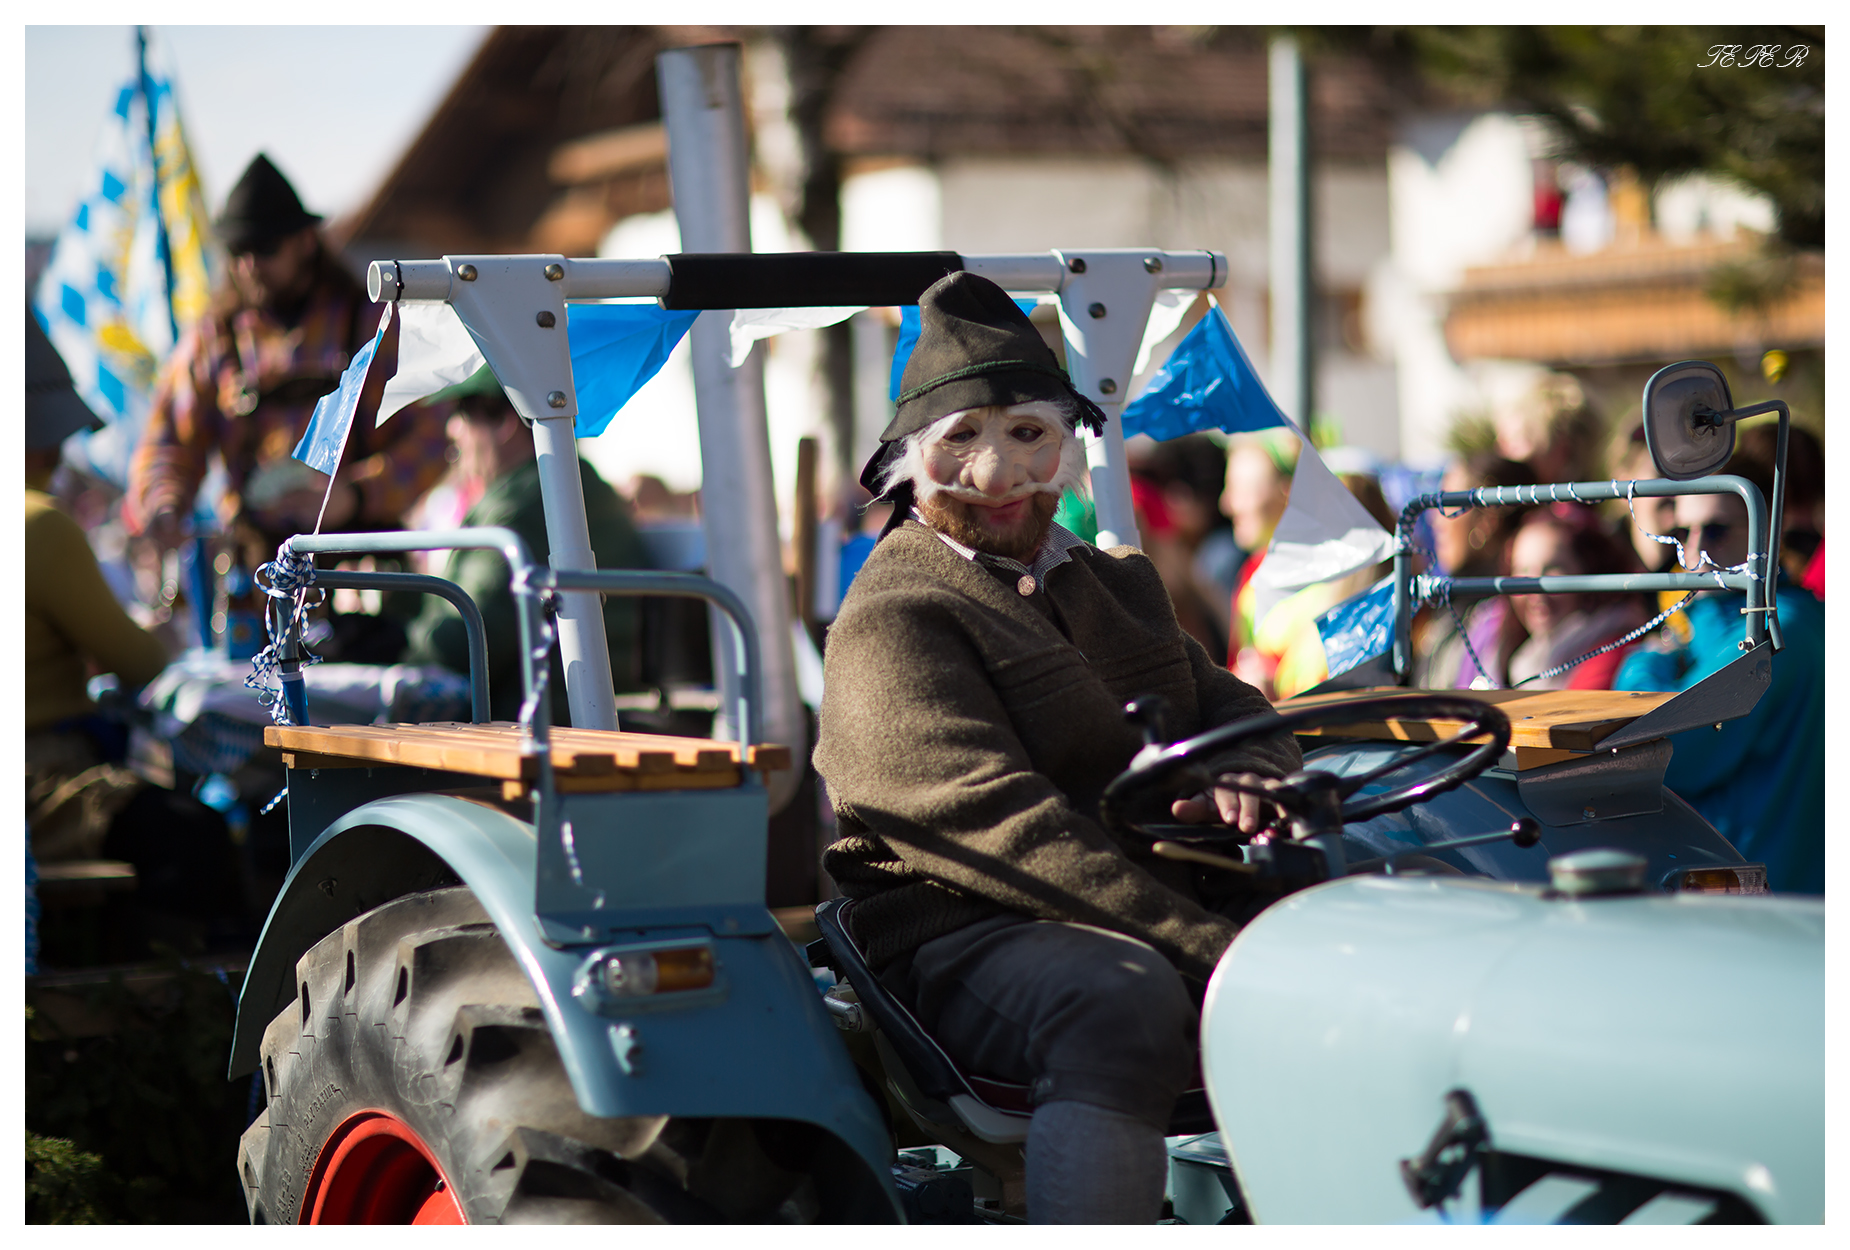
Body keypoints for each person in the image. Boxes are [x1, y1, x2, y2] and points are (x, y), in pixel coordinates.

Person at [813, 273, 1301, 1224]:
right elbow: (1004, 833)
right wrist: (1211, 949)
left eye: (1027, 435)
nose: (997, 474)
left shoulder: (1118, 582)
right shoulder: (893, 616)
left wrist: (1252, 769)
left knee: (1390, 926)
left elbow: (1235, 706)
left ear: (1064, 449)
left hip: (1156, 895)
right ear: (911, 464)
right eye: (961, 440)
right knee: (1120, 999)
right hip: (965, 930)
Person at [25, 315, 241, 941]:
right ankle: (188, 990)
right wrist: (158, 636)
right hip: (39, 783)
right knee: (198, 838)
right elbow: (143, 663)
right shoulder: (40, 524)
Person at [126, 153, 451, 559]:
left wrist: (356, 493)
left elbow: (436, 436)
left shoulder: (375, 326)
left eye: (265, 248)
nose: (249, 265)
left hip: (361, 564)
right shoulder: (214, 341)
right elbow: (167, 442)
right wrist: (165, 504)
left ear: (306, 242)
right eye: (237, 250)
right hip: (255, 567)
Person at [1613, 449, 1824, 895]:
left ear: (1769, 531)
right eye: (1681, 533)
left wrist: (1644, 662)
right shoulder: (1776, 617)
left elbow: (1660, 749)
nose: (1693, 552)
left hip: (1761, 898)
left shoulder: (1775, 628)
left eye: (1716, 530)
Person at [401, 367, 653, 724]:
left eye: (462, 413)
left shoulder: (528, 501)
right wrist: (393, 600)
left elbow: (465, 643)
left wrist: (390, 634)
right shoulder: (554, 483)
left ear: (505, 421)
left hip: (548, 718)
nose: (451, 429)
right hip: (569, 706)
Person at [1412, 451, 1537, 688]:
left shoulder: (1513, 617)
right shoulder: (1454, 603)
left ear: (1487, 521)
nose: (1434, 519)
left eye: (1446, 504)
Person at [1504, 504, 1646, 691]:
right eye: (1522, 571)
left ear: (1588, 571)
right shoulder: (1525, 656)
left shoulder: (1614, 647)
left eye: (1553, 569)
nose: (1535, 589)